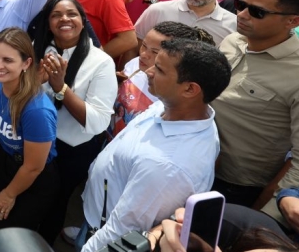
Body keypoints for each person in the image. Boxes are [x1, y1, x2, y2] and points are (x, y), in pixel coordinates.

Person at [79, 39, 231, 252]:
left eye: (159, 69)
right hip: (95, 213)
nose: (148, 71)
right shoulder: (172, 106)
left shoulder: (167, 167)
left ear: (189, 89)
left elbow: (120, 233)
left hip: (99, 235)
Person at [32, 0, 117, 245]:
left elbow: (97, 122)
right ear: (48, 23)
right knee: (33, 195)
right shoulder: (41, 47)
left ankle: (42, 243)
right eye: (56, 15)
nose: (64, 19)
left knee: (55, 202)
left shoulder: (100, 61)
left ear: (82, 21)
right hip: (37, 138)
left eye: (72, 14)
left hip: (71, 149)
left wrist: (61, 88)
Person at [210, 0, 299, 210]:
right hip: (196, 163)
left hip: (238, 188)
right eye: (241, 5)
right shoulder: (232, 41)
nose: (242, 15)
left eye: (258, 12)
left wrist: (265, 211)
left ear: (293, 21)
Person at [0, 28, 59, 246]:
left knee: (9, 238)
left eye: (8, 60)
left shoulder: (37, 110)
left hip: (31, 179)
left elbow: (33, 167)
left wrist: (9, 194)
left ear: (26, 63)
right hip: (3, 163)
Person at [107, 21, 213, 141]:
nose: (143, 55)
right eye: (144, 46)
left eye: (155, 52)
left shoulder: (175, 91)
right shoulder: (134, 64)